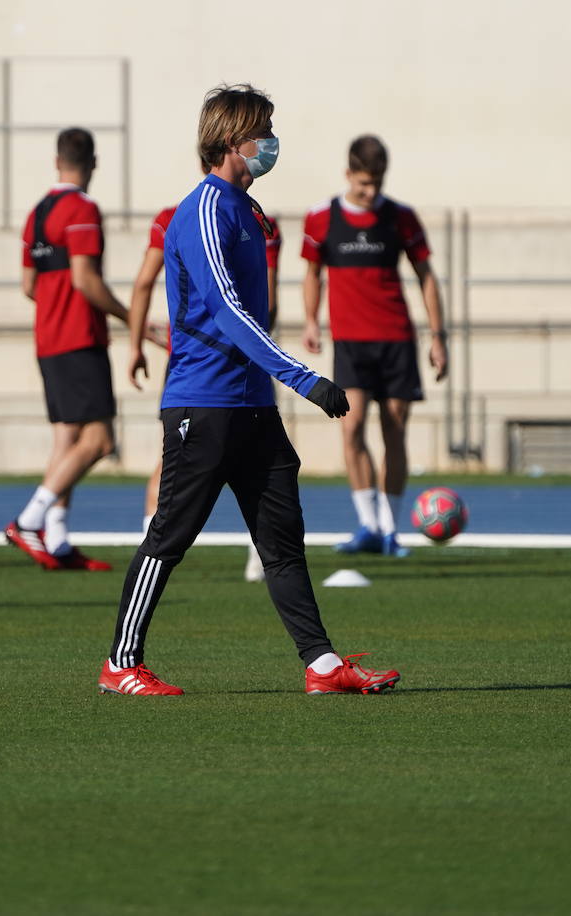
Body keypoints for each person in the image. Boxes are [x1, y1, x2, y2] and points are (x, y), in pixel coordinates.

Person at [98, 84, 401, 696]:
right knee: (170, 536)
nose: (272, 142)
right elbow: (231, 315)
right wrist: (305, 377)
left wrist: (277, 384)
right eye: (264, 130)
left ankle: (320, 665)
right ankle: (121, 664)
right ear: (235, 140)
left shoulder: (248, 209)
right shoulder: (207, 209)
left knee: (282, 543)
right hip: (204, 405)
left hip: (253, 408)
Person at [5, 128, 162, 572]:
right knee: (99, 440)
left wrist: (56, 309)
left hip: (48, 339)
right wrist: (134, 320)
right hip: (78, 338)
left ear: (57, 162)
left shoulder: (35, 215)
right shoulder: (83, 209)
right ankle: (29, 520)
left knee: (67, 439)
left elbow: (29, 286)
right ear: (92, 164)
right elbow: (84, 280)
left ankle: (56, 541)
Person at [127, 164, 282, 583]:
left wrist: (136, 342)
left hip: (198, 363)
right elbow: (266, 297)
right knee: (262, 468)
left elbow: (144, 283)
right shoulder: (253, 216)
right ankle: (261, 560)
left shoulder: (179, 214)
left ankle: (153, 553)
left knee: (177, 464)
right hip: (240, 363)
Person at [301, 135, 448, 558]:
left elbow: (427, 276)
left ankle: (389, 529)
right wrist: (312, 320)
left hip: (397, 339)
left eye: (377, 183)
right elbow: (313, 275)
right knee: (351, 426)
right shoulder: (321, 218)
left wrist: (438, 337)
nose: (370, 192)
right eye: (364, 183)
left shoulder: (400, 217)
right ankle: (367, 523)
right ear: (348, 175)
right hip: (350, 342)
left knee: (395, 431)